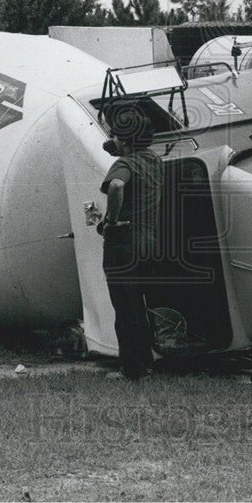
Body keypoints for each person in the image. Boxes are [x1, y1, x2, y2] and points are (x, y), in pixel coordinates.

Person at [96, 104, 164, 381]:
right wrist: (118, 146)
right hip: (149, 241)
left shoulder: (124, 164)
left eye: (114, 135)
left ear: (124, 139)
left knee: (126, 307)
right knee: (142, 306)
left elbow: (117, 185)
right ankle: (146, 363)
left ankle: (132, 369)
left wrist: (111, 221)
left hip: (123, 243)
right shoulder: (153, 161)